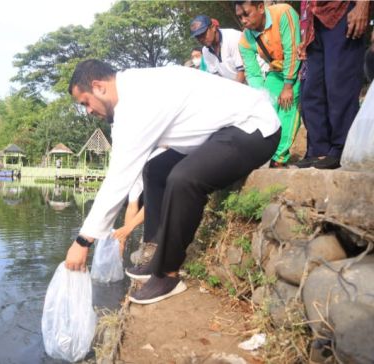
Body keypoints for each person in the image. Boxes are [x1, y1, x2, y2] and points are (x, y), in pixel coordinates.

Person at [65, 59, 280, 304]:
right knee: (155, 169)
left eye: (86, 102)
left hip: (254, 127)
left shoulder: (140, 100)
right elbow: (123, 165)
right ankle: (156, 250)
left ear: (99, 87)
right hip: (217, 133)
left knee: (182, 178)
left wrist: (83, 241)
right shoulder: (129, 94)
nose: (88, 111)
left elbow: (118, 178)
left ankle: (168, 274)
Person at [294, 0, 370, 169]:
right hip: (313, 20)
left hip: (341, 11)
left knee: (339, 84)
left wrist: (363, 5)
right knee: (312, 89)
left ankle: (341, 148)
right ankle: (318, 149)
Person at [236, 1, 302, 168]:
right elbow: (252, 73)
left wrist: (288, 87)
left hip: (299, 65)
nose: (243, 20)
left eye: (246, 14)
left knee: (288, 106)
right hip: (276, 70)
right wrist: (262, 96)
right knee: (267, 109)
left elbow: (292, 51)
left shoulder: (283, 13)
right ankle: (264, 153)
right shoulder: (245, 40)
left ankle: (279, 157)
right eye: (239, 17)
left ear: (260, 7)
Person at [190, 15, 246, 83]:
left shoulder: (232, 37)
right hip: (235, 86)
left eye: (203, 34)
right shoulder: (205, 51)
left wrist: (234, 92)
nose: (201, 39)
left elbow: (243, 71)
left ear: (213, 27)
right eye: (198, 37)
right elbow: (217, 78)